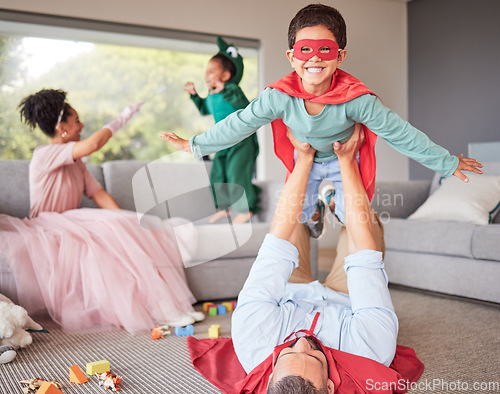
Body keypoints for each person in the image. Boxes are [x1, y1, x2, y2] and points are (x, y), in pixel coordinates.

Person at [160, 3, 482, 237]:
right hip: (307, 163)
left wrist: (447, 162)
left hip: (343, 161)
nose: (314, 57)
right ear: (292, 57)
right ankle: (315, 208)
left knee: (350, 215)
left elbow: (400, 133)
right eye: (305, 49)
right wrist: (195, 144)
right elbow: (241, 122)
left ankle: (330, 200)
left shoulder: (356, 99)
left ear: (340, 56)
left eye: (325, 50)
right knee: (295, 215)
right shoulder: (280, 96)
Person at [0, 89, 204, 333]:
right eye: (76, 120)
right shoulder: (45, 154)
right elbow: (94, 144)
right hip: (47, 225)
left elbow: (98, 194)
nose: (82, 124)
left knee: (126, 227)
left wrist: (128, 221)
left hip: (70, 221)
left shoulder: (77, 162)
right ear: (61, 127)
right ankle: (161, 310)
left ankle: (165, 307)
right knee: (107, 237)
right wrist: (124, 116)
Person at [231, 124, 402, 393]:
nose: (302, 340)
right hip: (347, 300)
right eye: (313, 355)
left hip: (289, 292)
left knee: (292, 223)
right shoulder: (370, 350)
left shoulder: (252, 336)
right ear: (331, 386)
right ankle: (338, 206)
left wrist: (304, 158)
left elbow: (275, 245)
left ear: (269, 374)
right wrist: (346, 160)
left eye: (286, 353)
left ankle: (311, 215)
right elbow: (365, 255)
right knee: (368, 224)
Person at [184, 36, 260, 224]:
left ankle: (247, 208)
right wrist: (195, 96)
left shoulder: (232, 89)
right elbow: (204, 109)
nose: (206, 74)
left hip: (242, 140)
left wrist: (225, 89)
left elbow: (244, 106)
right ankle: (223, 207)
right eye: (206, 71)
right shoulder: (211, 95)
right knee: (218, 174)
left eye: (212, 70)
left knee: (237, 173)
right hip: (223, 141)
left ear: (225, 76)